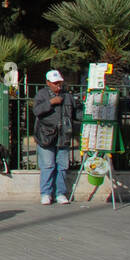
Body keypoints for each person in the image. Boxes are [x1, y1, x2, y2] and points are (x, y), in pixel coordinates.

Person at [32, 69, 82, 205]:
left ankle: (60, 193)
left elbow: (76, 114)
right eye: (55, 83)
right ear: (48, 83)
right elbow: (36, 111)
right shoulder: (42, 94)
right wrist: (51, 102)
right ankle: (46, 193)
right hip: (46, 136)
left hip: (63, 136)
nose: (58, 86)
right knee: (48, 165)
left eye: (59, 83)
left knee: (62, 166)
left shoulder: (68, 96)